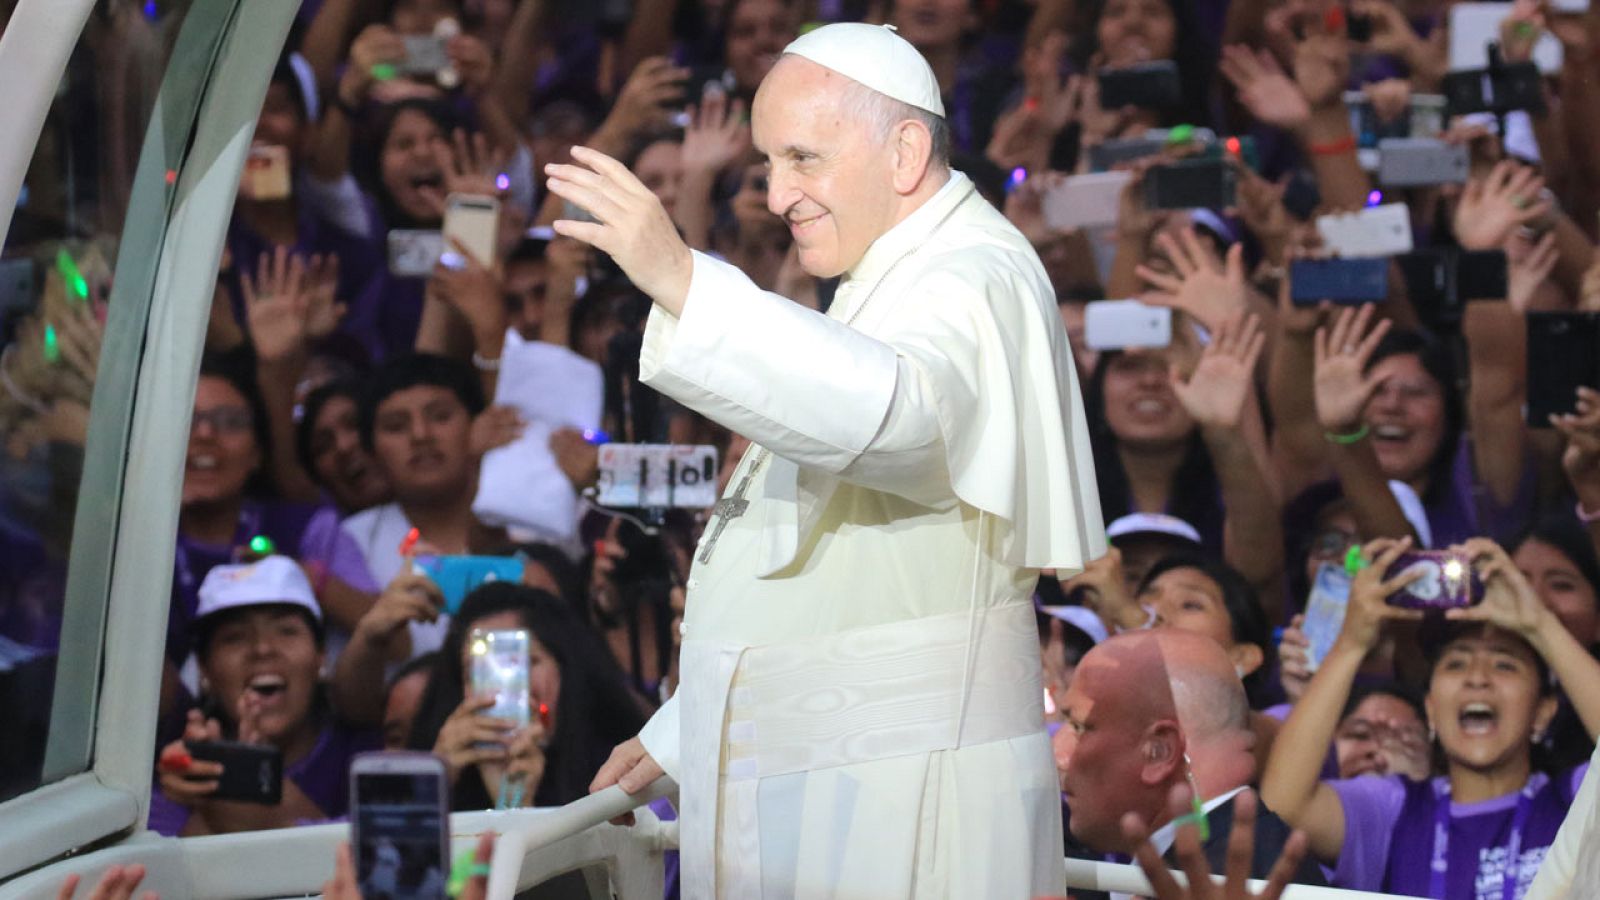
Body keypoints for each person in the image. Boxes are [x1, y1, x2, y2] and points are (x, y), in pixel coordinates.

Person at [547, 22, 1103, 897]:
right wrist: (681, 737)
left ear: (905, 150)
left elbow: (900, 423)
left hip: (908, 803)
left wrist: (684, 279)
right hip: (854, 785)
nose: (776, 196)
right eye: (769, 165)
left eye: (803, 158)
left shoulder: (973, 274)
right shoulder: (900, 277)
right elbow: (842, 590)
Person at [1261, 537, 1600, 898]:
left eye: (1505, 664)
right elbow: (1285, 807)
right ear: (1431, 709)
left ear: (1542, 713)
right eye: (1456, 663)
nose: (1477, 677)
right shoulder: (1394, 809)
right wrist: (1351, 643)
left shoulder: (1577, 798)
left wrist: (1540, 625)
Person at [1057, 628, 1327, 897]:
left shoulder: (1238, 881)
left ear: (1160, 751)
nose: (1058, 754)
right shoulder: (1223, 863)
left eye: (1080, 727)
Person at [152, 556, 380, 836]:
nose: (262, 648)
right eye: (234, 637)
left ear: (321, 657)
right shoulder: (178, 777)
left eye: (286, 631)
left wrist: (250, 781)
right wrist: (210, 799)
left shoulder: (370, 757)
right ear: (204, 668)